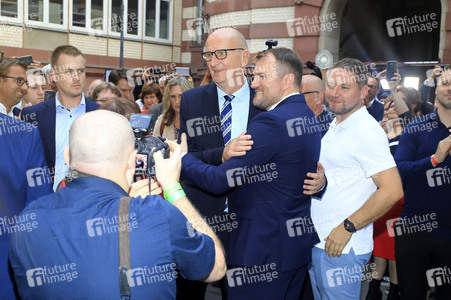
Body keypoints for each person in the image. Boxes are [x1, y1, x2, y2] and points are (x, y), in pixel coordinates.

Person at [9, 110, 226, 299]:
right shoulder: (156, 215)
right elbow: (216, 268)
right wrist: (172, 189)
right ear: (133, 160)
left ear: (67, 157)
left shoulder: (28, 219)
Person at [180, 47, 321, 299]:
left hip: (260, 253)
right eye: (253, 76)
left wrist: (180, 159)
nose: (254, 83)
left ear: (288, 81)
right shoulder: (307, 115)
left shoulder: (271, 122)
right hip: (291, 250)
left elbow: (219, 181)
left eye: (262, 77)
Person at [178, 27, 262, 299]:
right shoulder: (192, 100)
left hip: (250, 220)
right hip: (200, 215)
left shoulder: (264, 102)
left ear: (245, 56)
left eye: (222, 53)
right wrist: (220, 154)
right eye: (208, 55)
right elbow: (186, 157)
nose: (213, 62)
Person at [308, 58, 403, 299]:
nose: (334, 93)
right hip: (322, 244)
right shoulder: (337, 124)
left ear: (363, 92)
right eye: (331, 85)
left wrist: (348, 227)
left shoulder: (365, 131)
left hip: (342, 248)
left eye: (345, 87)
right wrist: (324, 181)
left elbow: (392, 190)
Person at [394, 66, 451, 300]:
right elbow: (400, 172)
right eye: (446, 83)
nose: (450, 89)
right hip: (414, 230)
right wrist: (434, 160)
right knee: (410, 294)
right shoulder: (417, 127)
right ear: (436, 88)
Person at [0, 56, 53, 300]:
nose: (23, 87)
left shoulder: (23, 130)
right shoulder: (24, 134)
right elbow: (38, 202)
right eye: (18, 80)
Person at [21, 45, 100, 190]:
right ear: (53, 75)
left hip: (90, 206)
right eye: (69, 71)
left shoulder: (101, 115)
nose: (76, 77)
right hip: (46, 204)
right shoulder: (33, 115)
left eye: (80, 71)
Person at [366, 98, 412, 300]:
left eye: (394, 106)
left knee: (394, 249)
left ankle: (394, 291)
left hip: (400, 198)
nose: (390, 109)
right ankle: (373, 290)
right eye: (387, 106)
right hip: (377, 197)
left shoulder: (410, 132)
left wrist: (395, 86)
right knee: (378, 247)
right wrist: (378, 131)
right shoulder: (377, 134)